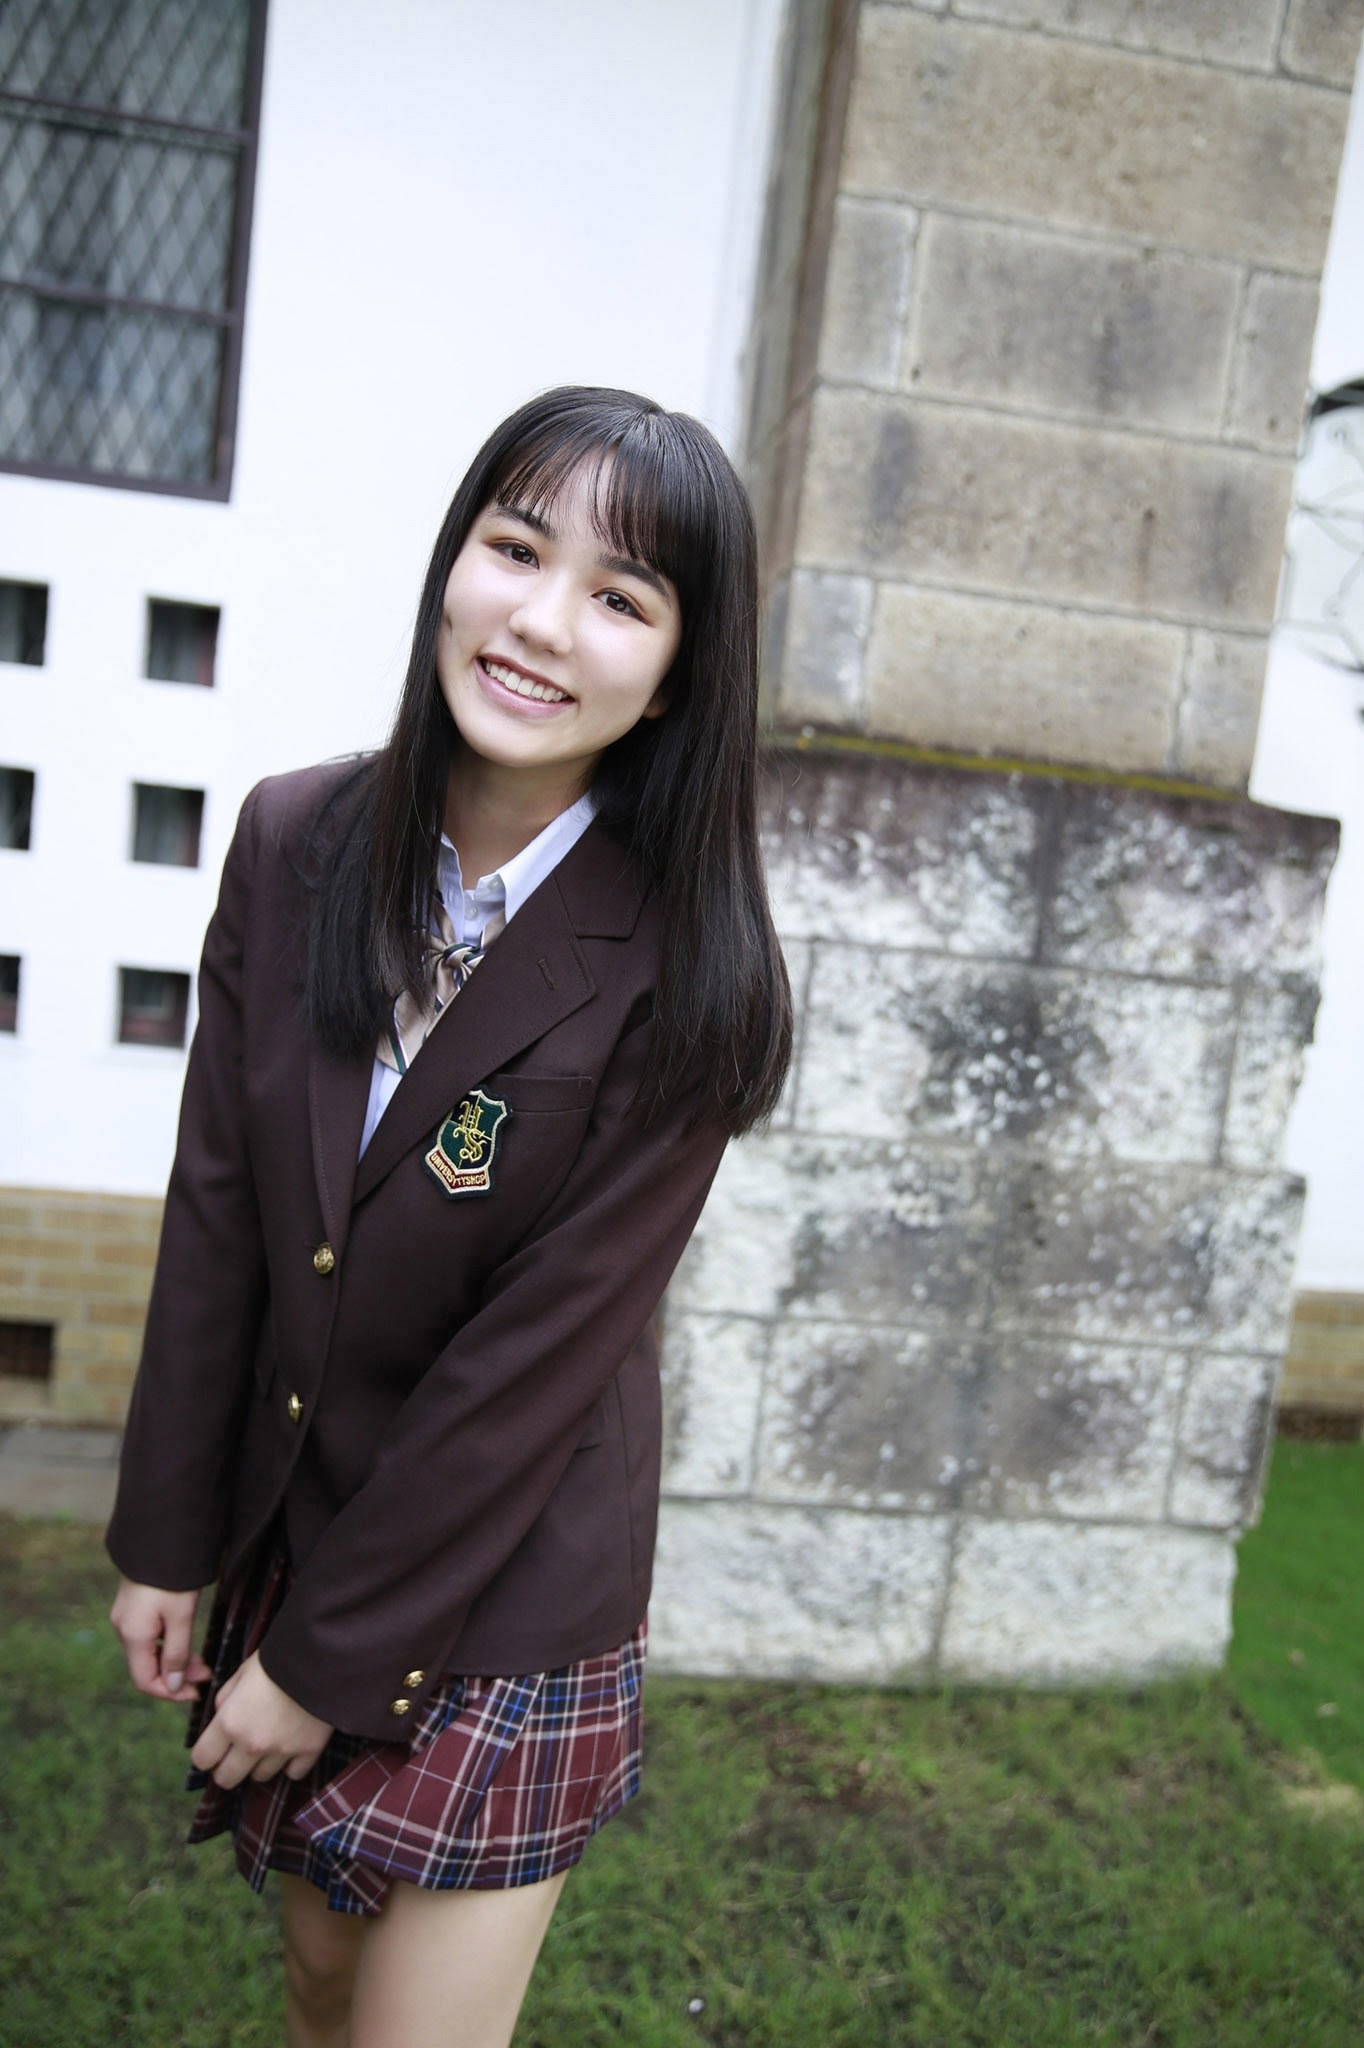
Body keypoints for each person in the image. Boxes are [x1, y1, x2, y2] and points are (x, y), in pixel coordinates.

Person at [105, 385, 792, 2048]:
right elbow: (219, 1215)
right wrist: (168, 1536)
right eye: (516, 549)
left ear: (675, 676)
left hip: (515, 1581)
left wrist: (319, 1665)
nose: (541, 622)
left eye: (621, 596)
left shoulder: (694, 971)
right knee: (321, 1980)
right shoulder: (294, 841)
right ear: (452, 565)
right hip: (302, 1508)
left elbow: (533, 1365)